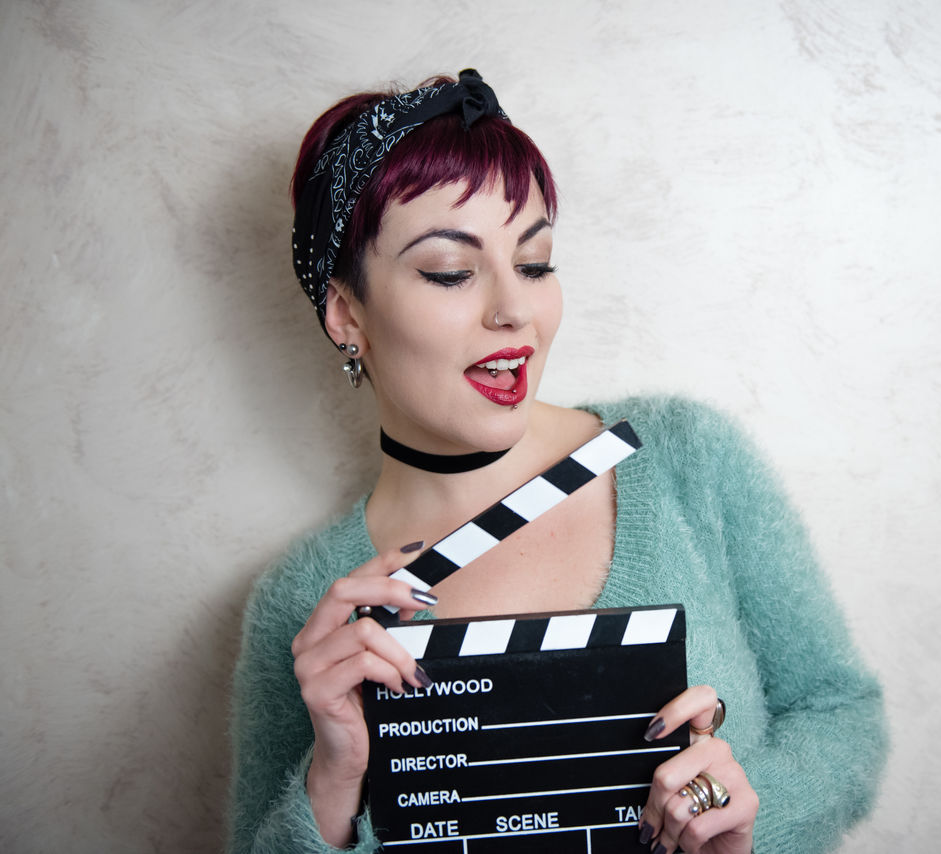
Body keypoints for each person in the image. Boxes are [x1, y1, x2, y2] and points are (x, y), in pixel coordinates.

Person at [227, 70, 887, 854]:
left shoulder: (684, 459)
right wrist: (330, 785)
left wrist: (745, 823)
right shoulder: (305, 605)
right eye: (450, 271)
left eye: (535, 263)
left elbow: (842, 712)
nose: (514, 309)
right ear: (347, 315)